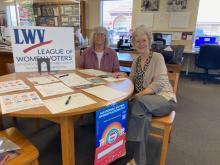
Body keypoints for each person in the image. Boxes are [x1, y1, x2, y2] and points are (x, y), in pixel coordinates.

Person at [126, 25, 177, 165]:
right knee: (141, 115)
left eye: (143, 40)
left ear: (149, 41)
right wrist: (123, 78)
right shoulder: (136, 61)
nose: (141, 44)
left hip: (164, 99)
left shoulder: (157, 57)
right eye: (137, 41)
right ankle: (138, 160)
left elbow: (159, 83)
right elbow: (131, 79)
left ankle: (130, 149)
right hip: (146, 103)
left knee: (136, 105)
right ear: (133, 43)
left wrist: (139, 95)